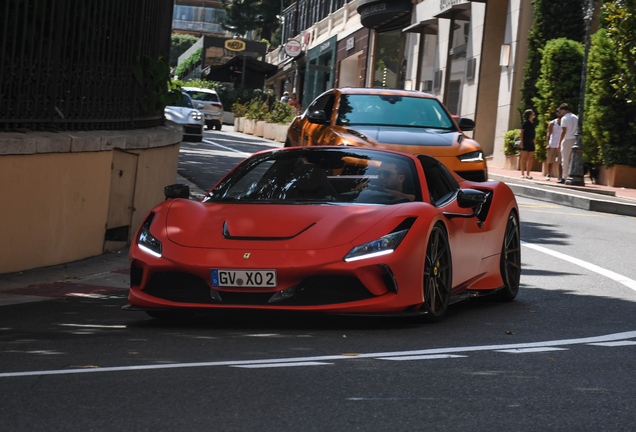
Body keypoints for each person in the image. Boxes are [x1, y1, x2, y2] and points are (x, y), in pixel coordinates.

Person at [556, 103, 578, 183]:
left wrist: (559, 142)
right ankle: (572, 175)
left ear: (564, 110)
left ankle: (565, 177)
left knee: (565, 159)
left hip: (567, 139)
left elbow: (563, 131)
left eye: (561, 111)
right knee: (573, 159)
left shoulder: (564, 118)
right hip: (575, 139)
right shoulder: (576, 117)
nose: (560, 113)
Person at [545, 108, 563, 180]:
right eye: (559, 112)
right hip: (552, 143)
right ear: (557, 114)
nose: (561, 114)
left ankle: (560, 176)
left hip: (561, 144)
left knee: (560, 161)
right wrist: (547, 144)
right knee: (550, 160)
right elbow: (548, 134)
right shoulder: (552, 123)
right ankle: (548, 174)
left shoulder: (564, 123)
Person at [519, 109, 536, 179]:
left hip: (531, 142)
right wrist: (521, 141)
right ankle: (522, 173)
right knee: (524, 158)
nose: (534, 114)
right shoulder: (525, 123)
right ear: (529, 115)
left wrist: (534, 141)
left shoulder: (532, 123)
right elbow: (521, 132)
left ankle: (528, 174)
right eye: (532, 113)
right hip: (525, 141)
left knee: (531, 158)